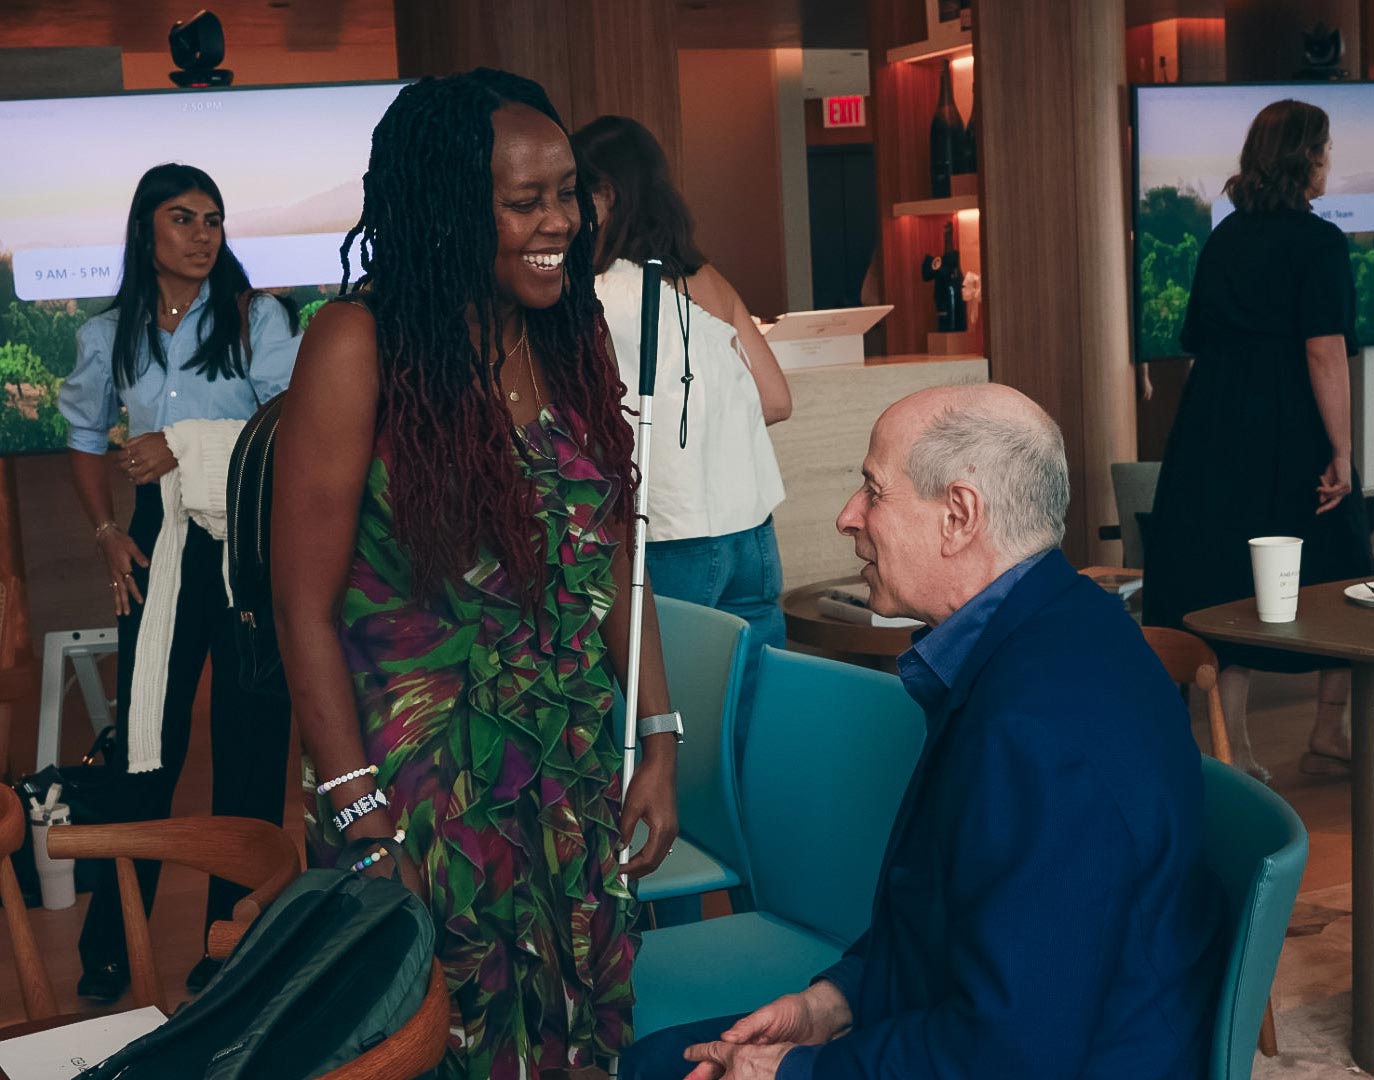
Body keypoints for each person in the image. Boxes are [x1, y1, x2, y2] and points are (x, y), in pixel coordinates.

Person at [623, 384, 1225, 1079]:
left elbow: (1012, 1054)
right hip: (987, 1024)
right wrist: (834, 1002)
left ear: (959, 515)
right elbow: (961, 919)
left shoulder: (1038, 729)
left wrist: (793, 1073)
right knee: (658, 1062)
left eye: (873, 490)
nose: (849, 517)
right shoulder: (1058, 628)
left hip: (1068, 1059)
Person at [272, 71, 679, 1080]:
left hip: (570, 772)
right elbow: (303, 608)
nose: (562, 222)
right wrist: (363, 819)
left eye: (568, 193)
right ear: (452, 210)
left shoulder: (571, 334)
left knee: (573, 1033)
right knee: (444, 1046)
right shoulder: (355, 345)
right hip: (419, 799)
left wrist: (659, 736)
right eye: (524, 200)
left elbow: (615, 559)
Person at [57, 163, 299, 1001]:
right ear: (146, 233)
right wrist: (104, 532)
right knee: (143, 748)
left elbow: (294, 423)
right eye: (183, 219)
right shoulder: (107, 333)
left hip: (249, 541)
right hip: (158, 540)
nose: (203, 235)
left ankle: (237, 945)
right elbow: (86, 436)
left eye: (214, 219)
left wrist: (191, 437)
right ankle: (114, 937)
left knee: (250, 741)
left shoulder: (254, 316)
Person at [1145, 99, 1373, 782]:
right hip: (1290, 425)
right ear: (1307, 158)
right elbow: (1324, 354)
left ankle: (1232, 748)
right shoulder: (1320, 242)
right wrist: (1342, 451)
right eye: (1326, 149)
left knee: (1224, 577)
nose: (1331, 162)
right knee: (1341, 568)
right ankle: (1329, 728)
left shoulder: (1226, 236)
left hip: (1213, 424)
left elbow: (1196, 339)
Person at [571, 116, 792, 704]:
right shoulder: (707, 278)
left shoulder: (592, 294)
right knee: (750, 718)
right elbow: (776, 400)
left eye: (572, 192)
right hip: (753, 536)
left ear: (606, 194)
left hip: (668, 536)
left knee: (670, 725)